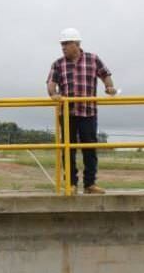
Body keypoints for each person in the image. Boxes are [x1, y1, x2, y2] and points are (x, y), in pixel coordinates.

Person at [46, 27, 117, 194]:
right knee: (68, 149)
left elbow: (105, 74)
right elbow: (50, 83)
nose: (63, 48)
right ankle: (70, 183)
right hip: (68, 113)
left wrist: (110, 87)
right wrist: (54, 94)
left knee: (90, 149)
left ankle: (89, 184)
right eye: (62, 45)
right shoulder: (58, 64)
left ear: (77, 44)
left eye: (66, 44)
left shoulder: (93, 59)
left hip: (88, 112)